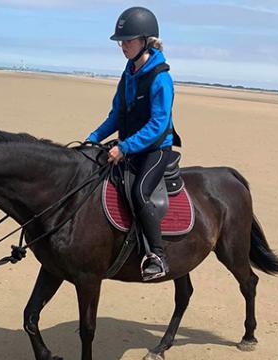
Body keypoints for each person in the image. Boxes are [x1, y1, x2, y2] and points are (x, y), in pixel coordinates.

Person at [87, 7, 181, 281]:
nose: (123, 46)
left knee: (140, 192)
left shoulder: (161, 78)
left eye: (128, 40)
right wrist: (92, 139)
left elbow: (158, 125)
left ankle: (157, 256)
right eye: (121, 41)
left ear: (145, 40)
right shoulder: (128, 73)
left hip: (155, 150)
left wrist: (124, 147)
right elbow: (117, 115)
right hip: (129, 144)